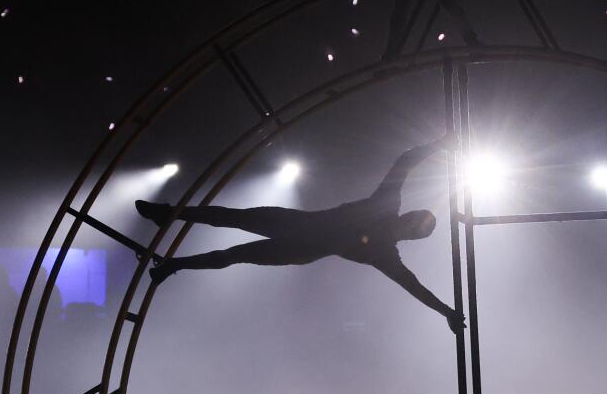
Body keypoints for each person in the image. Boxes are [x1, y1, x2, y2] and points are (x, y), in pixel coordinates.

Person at [138, 136, 464, 332]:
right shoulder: (385, 207)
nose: (407, 222)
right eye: (413, 219)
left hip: (298, 248)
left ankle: (172, 264)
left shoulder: (384, 253)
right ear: (407, 217)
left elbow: (415, 288)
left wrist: (447, 312)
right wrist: (440, 145)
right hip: (297, 227)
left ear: (409, 233)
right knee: (230, 219)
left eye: (413, 225)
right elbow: (405, 160)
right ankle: (168, 215)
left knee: (233, 254)